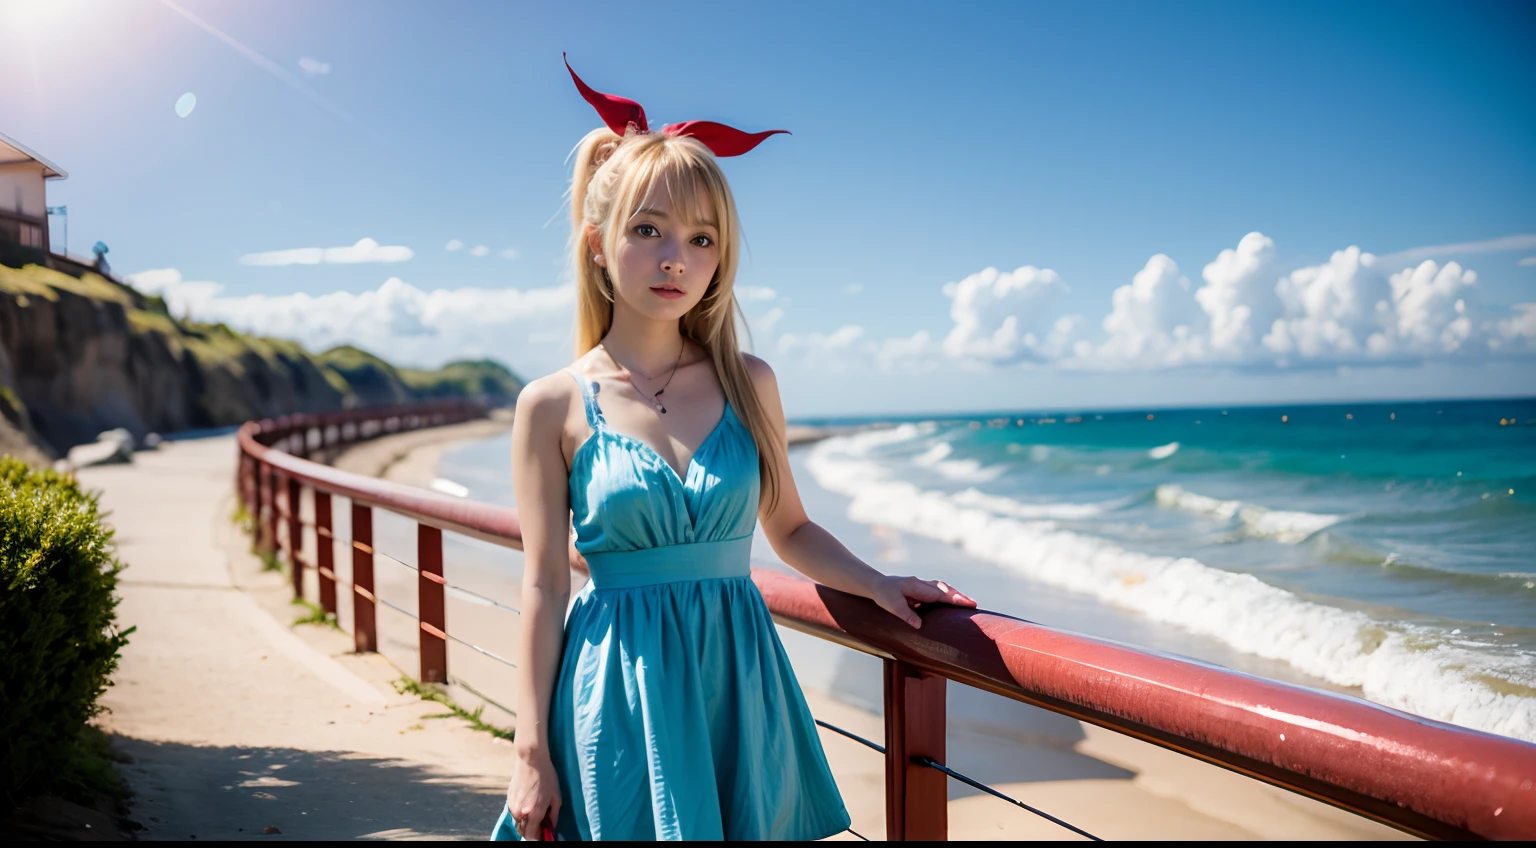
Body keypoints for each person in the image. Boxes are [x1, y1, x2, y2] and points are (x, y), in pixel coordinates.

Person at [493, 58, 976, 841]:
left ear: (721, 258)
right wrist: (529, 750)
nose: (674, 257)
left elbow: (788, 528)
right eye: (647, 230)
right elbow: (545, 585)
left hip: (738, 681)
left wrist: (879, 582)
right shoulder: (549, 403)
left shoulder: (749, 380)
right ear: (596, 242)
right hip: (620, 688)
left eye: (700, 237)